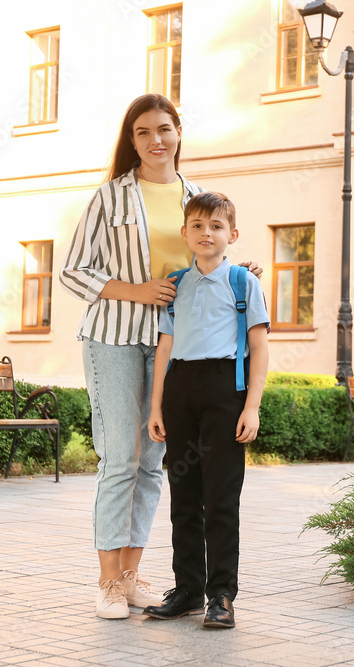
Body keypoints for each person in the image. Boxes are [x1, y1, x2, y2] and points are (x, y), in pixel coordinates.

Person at [59, 94, 261, 620]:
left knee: (153, 466)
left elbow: (208, 256)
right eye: (144, 132)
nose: (156, 140)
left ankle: (131, 576)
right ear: (133, 140)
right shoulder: (110, 197)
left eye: (165, 129)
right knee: (121, 462)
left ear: (178, 133)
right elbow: (75, 271)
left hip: (179, 347)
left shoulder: (196, 195)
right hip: (117, 337)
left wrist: (241, 275)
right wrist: (136, 290)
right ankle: (106, 582)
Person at [143, 191, 269, 629]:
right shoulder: (177, 284)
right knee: (184, 498)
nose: (206, 233)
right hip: (180, 391)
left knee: (220, 499)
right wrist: (157, 404)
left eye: (216, 226)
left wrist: (250, 408)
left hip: (223, 391)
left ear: (231, 234)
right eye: (197, 225)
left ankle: (221, 595)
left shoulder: (242, 282)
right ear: (185, 233)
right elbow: (165, 347)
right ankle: (188, 589)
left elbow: (258, 347)